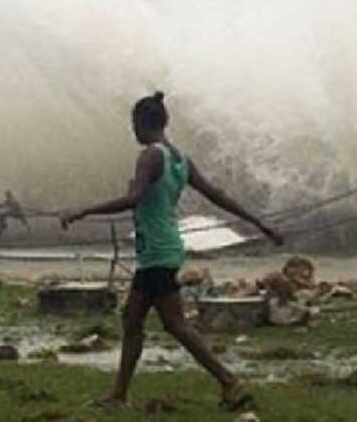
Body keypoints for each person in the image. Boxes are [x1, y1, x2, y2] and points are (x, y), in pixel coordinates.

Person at [61, 91, 284, 410]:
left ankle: (228, 382)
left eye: (132, 124)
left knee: (173, 324)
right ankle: (119, 396)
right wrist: (259, 223)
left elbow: (134, 198)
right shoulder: (180, 159)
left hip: (155, 252)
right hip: (166, 247)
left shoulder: (150, 156)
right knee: (134, 318)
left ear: (142, 123)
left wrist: (83, 211)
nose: (132, 131)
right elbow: (217, 195)